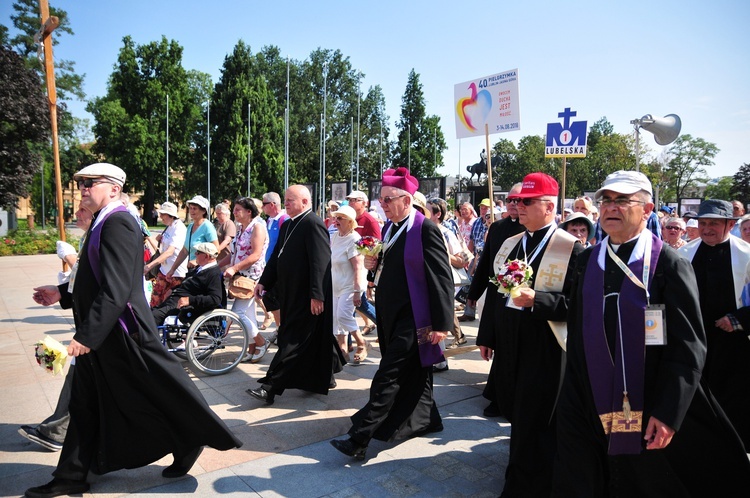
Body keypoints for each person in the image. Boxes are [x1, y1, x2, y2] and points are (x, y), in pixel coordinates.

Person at [26, 163, 240, 498]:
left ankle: (191, 438)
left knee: (163, 391)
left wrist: (87, 336)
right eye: (80, 183)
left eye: (89, 183)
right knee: (85, 405)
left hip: (124, 333)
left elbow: (118, 288)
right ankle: (72, 475)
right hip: (106, 332)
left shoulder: (119, 222)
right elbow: (95, 277)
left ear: (113, 188)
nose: (82, 188)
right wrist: (62, 294)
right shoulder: (103, 221)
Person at [554, 172, 750, 496]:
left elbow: (689, 346)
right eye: (606, 200)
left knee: (642, 479)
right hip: (590, 396)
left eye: (622, 200)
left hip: (646, 398)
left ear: (647, 209)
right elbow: (577, 332)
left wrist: (669, 412)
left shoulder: (668, 263)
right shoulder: (588, 259)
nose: (610, 208)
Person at [330, 167, 453, 461]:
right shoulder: (390, 227)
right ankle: (427, 418)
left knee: (389, 374)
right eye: (380, 199)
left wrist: (442, 323)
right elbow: (389, 264)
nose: (381, 204)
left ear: (406, 200)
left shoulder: (424, 228)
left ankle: (361, 438)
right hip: (390, 313)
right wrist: (374, 264)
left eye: (387, 199)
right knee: (415, 372)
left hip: (415, 316)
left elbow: (441, 277)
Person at [478, 172, 582, 496]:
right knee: (517, 416)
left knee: (536, 419)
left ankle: (525, 484)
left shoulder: (571, 248)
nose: (517, 207)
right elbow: (497, 294)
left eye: (526, 202)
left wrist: (539, 300)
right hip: (510, 345)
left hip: (546, 348)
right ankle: (521, 472)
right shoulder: (511, 243)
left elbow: (578, 306)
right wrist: (487, 335)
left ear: (549, 207)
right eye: (516, 201)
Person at [249, 185, 344, 405]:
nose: (286, 203)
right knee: (316, 336)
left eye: (291, 200)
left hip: (308, 295)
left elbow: (320, 263)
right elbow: (276, 257)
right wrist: (264, 281)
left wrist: (317, 295)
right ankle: (328, 371)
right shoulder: (288, 224)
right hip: (290, 292)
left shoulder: (312, 223)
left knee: (291, 339)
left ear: (305, 201)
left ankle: (270, 387)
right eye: (286, 200)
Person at [19, 208, 94, 452]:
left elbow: (99, 281)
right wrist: (62, 290)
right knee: (79, 380)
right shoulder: (90, 235)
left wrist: (72, 259)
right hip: (91, 324)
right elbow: (83, 282)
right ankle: (57, 431)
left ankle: (57, 432)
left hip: (103, 326)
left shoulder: (107, 231)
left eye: (84, 210)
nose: (78, 213)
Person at [679, 199, 750, 449]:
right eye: (703, 223)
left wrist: (739, 320)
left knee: (732, 401)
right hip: (693, 339)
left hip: (733, 343)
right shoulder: (684, 254)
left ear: (730, 224)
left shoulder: (747, 255)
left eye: (714, 223)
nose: (707, 228)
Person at [468, 182, 524, 418]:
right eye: (510, 199)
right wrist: (474, 292)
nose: (513, 204)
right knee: (498, 346)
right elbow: (486, 262)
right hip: (497, 295)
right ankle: (498, 398)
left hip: (521, 298)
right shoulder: (497, 227)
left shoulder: (531, 228)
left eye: (519, 200)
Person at [221, 197, 269, 363]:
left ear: (249, 211)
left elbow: (255, 255)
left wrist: (234, 268)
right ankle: (252, 348)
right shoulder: (241, 227)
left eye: (238, 209)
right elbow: (233, 254)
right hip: (240, 275)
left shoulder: (258, 227)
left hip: (251, 276)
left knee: (238, 313)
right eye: (234, 209)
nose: (234, 212)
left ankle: (261, 342)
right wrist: (216, 265)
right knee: (248, 314)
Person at [151, 242, 226, 326]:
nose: (195, 254)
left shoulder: (213, 274)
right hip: (174, 300)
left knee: (152, 318)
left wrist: (190, 300)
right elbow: (189, 284)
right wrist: (172, 289)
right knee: (147, 313)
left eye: (198, 252)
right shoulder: (200, 268)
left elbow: (215, 299)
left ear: (207, 256)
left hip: (184, 307)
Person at [330, 205, 369, 363]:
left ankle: (362, 343)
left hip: (349, 286)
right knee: (335, 318)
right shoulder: (334, 237)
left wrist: (357, 291)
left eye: (340, 218)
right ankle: (342, 349)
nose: (336, 220)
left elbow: (358, 267)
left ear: (350, 222)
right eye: (336, 217)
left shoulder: (354, 239)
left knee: (344, 316)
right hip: (335, 285)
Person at [345, 190, 381, 336]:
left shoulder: (370, 221)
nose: (351, 203)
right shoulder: (348, 219)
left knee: (360, 304)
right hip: (346, 268)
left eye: (354, 200)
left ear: (364, 203)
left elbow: (376, 246)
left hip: (361, 269)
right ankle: (347, 343)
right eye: (349, 200)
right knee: (348, 307)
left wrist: (370, 277)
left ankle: (385, 325)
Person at [144, 202, 187, 307]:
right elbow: (161, 250)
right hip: (164, 271)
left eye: (163, 214)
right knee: (154, 301)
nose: (160, 216)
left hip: (176, 274)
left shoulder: (179, 228)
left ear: (170, 215)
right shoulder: (169, 226)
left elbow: (170, 252)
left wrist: (150, 266)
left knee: (169, 304)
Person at [166, 195, 218, 276]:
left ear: (203, 211)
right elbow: (184, 251)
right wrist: (172, 269)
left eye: (195, 208)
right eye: (190, 208)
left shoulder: (207, 226)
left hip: (204, 272)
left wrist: (197, 261)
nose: (191, 211)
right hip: (192, 271)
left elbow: (216, 250)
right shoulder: (190, 226)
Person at [259, 192, 289, 332]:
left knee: (272, 299)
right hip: (269, 266)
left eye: (263, 204)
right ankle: (280, 328)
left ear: (272, 205)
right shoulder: (269, 220)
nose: (262, 207)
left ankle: (282, 329)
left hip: (280, 268)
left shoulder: (284, 219)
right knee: (270, 299)